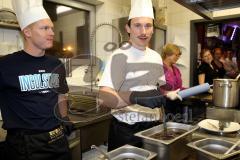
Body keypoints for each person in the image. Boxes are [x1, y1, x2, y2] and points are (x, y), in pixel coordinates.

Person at [98, 0, 181, 151]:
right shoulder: (119, 56)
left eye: (148, 25)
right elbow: (104, 97)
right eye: (137, 25)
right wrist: (135, 97)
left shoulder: (156, 57)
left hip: (153, 127)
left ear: (153, 29)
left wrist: (167, 94)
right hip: (126, 130)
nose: (143, 32)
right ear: (128, 28)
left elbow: (157, 90)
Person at [0, 0, 72, 159]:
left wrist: (64, 117)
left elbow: (61, 95)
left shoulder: (55, 64)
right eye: (45, 28)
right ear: (27, 32)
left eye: (52, 28)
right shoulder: (5, 66)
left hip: (57, 139)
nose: (52, 33)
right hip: (23, 145)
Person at [159, 43, 185, 115]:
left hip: (176, 104)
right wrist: (167, 93)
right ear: (167, 54)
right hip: (163, 105)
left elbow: (178, 88)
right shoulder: (159, 68)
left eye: (178, 55)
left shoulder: (176, 69)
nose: (178, 57)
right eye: (176, 55)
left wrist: (193, 90)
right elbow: (154, 88)